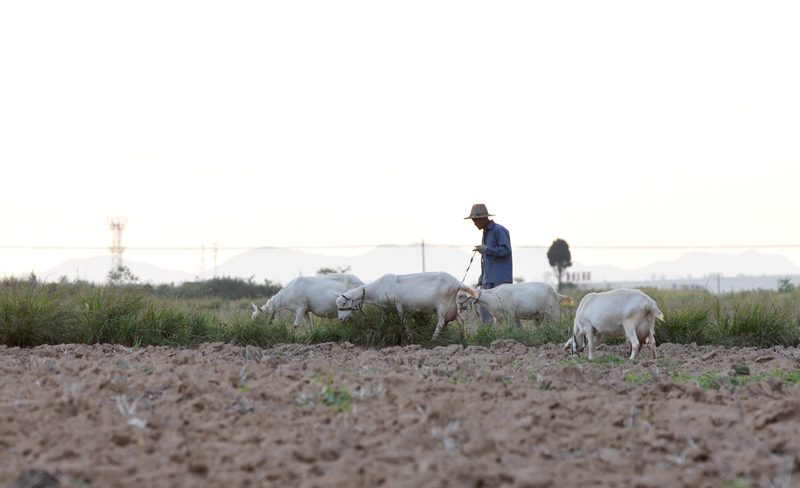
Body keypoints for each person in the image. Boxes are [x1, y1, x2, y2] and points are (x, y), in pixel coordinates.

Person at [464, 203, 513, 323]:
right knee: (485, 310)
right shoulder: (485, 233)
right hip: (488, 278)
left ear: (483, 218)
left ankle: (516, 336)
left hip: (500, 278)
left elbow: (506, 250)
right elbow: (487, 260)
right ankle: (488, 335)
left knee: (506, 309)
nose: (474, 223)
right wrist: (482, 276)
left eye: (475, 220)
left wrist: (487, 250)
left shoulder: (499, 230)